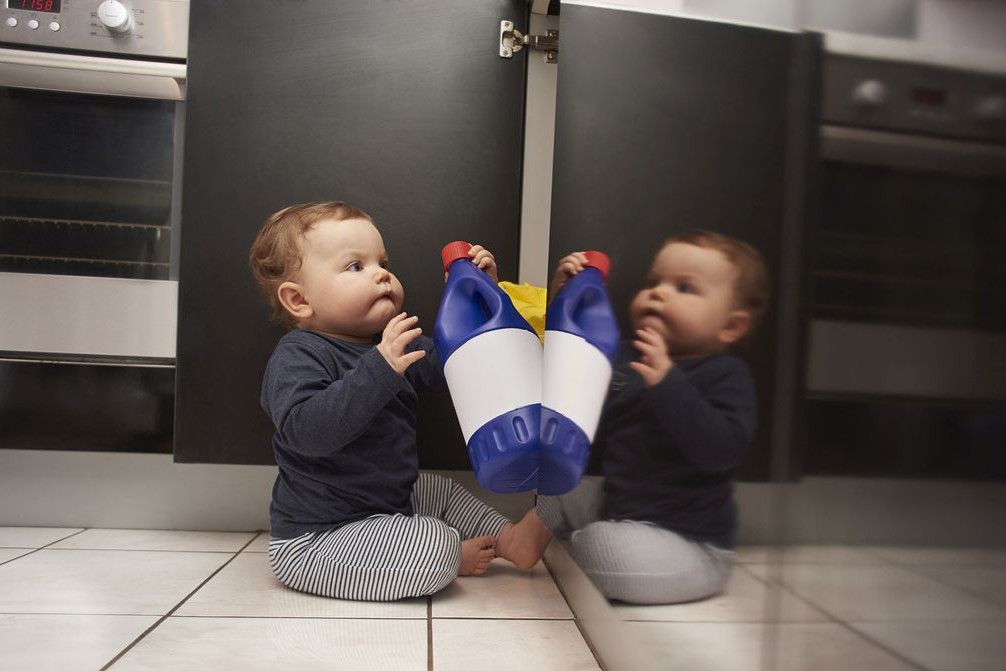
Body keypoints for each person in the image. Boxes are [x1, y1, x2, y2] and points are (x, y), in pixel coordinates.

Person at [248, 201, 551, 601]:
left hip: (388, 504)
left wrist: (483, 297)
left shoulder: (392, 345)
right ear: (300, 300)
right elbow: (308, 433)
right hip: (319, 539)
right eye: (356, 266)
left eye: (383, 263)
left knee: (438, 491)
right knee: (435, 542)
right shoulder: (299, 355)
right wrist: (380, 367)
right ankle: (448, 557)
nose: (382, 275)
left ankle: (511, 540)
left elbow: (461, 368)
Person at [537, 230, 769, 604]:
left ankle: (569, 544)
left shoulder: (725, 375)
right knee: (560, 484)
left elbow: (720, 450)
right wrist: (565, 299)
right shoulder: (627, 354)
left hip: (686, 543)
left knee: (605, 549)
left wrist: (667, 382)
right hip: (616, 504)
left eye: (685, 288)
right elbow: (571, 368)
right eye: (653, 282)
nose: (658, 292)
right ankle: (540, 535)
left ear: (730, 326)